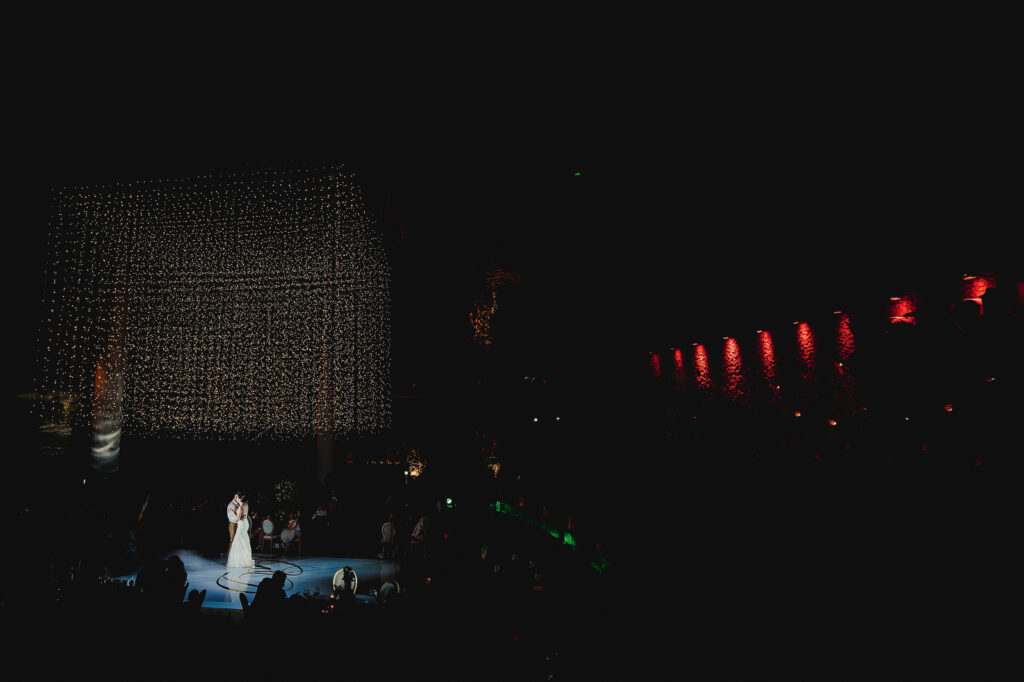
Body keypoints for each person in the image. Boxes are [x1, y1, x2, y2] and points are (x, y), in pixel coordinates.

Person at [226, 495, 255, 569]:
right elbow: (244, 516)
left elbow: (237, 519)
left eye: (238, 497)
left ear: (240, 499)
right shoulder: (246, 504)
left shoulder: (241, 507)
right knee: (243, 541)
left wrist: (232, 512)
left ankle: (239, 561)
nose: (236, 498)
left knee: (238, 541)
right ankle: (244, 559)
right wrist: (237, 511)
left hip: (241, 525)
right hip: (245, 523)